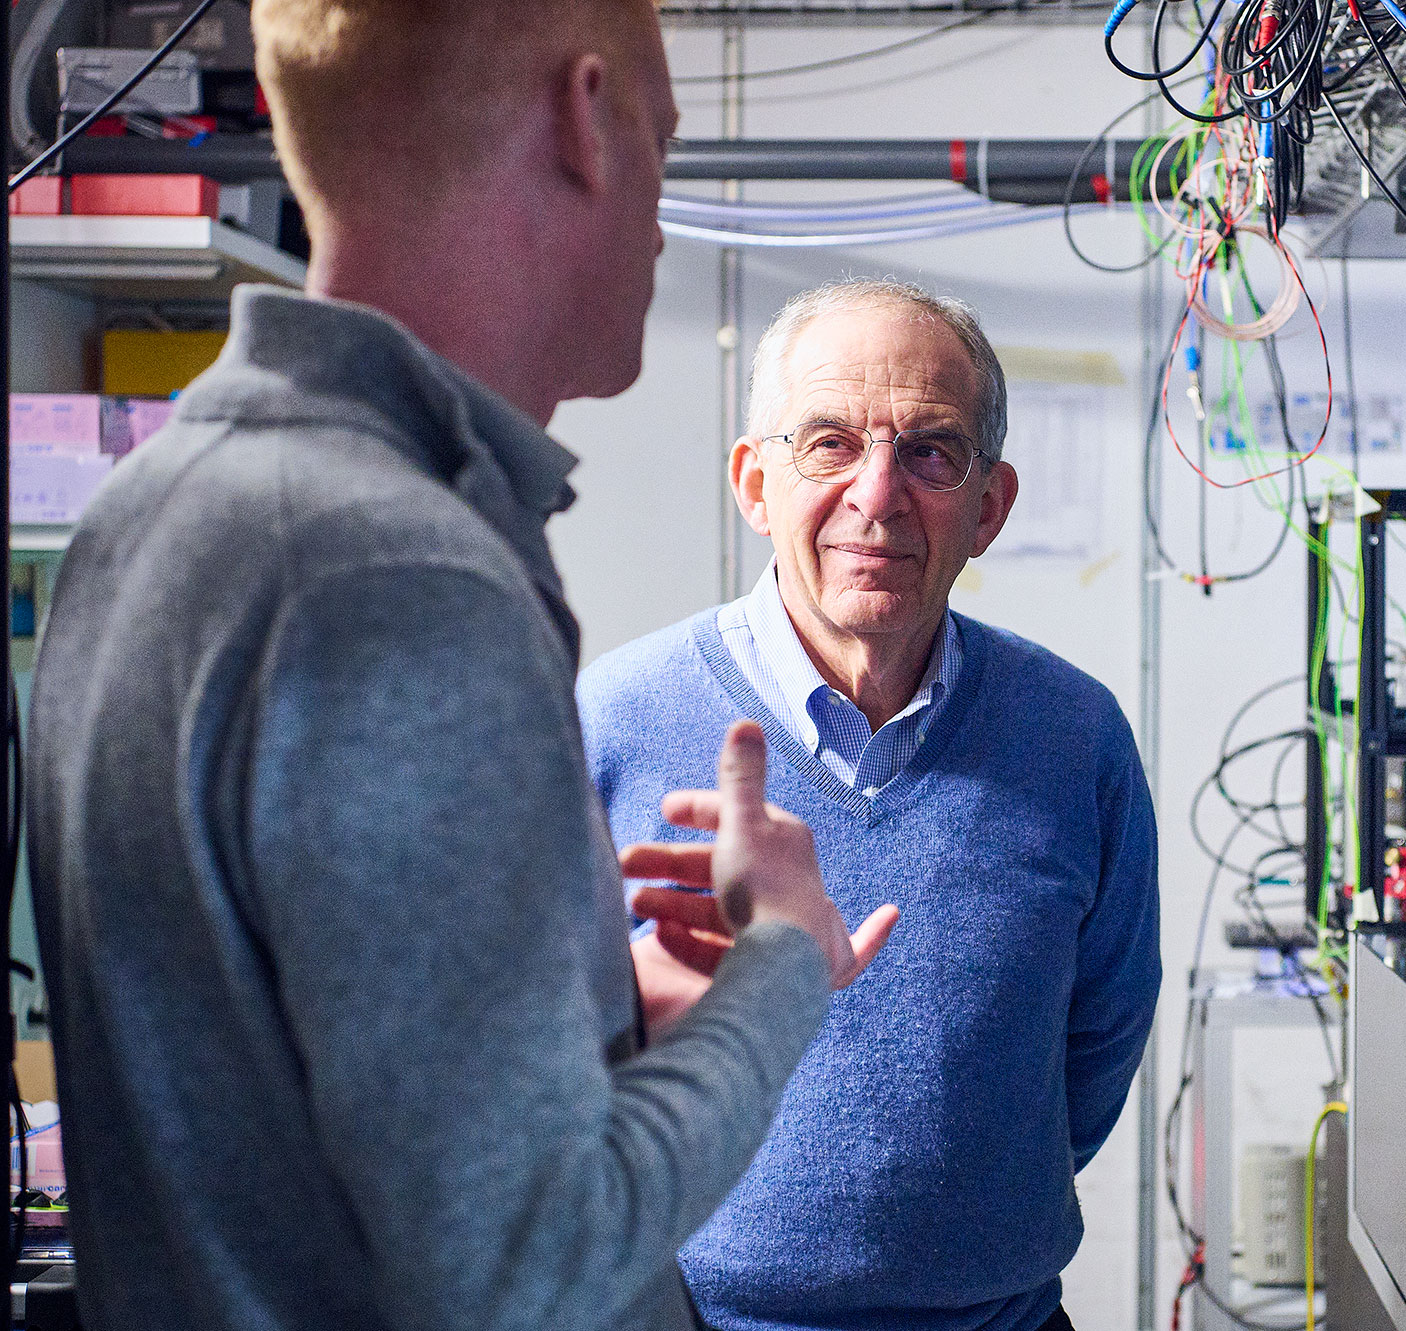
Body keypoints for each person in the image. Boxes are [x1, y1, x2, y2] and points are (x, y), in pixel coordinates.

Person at [26, 4, 895, 1330]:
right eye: (662, 144)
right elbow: (530, 1268)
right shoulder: (396, 575)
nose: (662, 223)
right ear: (585, 117)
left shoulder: (149, 509)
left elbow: (298, 1110)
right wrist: (779, 963)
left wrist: (587, 1026)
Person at [578, 279, 1162, 1331]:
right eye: (829, 444)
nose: (878, 493)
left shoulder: (1074, 737)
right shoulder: (609, 719)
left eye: (929, 450)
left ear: (987, 505)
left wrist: (963, 1216)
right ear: (755, 483)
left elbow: (1101, 1033)